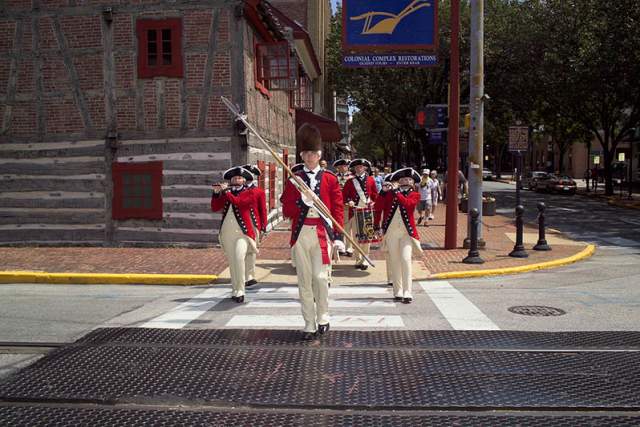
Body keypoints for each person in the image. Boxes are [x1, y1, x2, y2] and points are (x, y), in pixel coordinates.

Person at [281, 124, 345, 340]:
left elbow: (337, 209)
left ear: (319, 155)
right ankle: (309, 323)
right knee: (304, 280)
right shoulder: (294, 179)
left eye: (314, 154)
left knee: (320, 278)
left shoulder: (330, 179)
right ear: (302, 154)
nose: (310, 157)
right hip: (301, 233)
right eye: (307, 154)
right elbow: (286, 210)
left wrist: (338, 237)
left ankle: (323, 317)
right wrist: (301, 201)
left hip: (321, 231)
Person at [374, 168, 423, 303]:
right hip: (391, 231)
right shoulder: (390, 193)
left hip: (407, 232)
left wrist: (395, 192)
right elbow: (378, 207)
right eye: (403, 180)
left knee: (405, 259)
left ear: (413, 183)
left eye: (409, 180)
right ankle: (398, 291)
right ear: (399, 181)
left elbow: (407, 204)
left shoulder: (414, 195)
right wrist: (382, 192)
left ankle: (408, 291)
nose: (406, 181)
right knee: (394, 260)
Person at [211, 166, 258, 303]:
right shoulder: (228, 192)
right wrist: (216, 193)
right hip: (227, 232)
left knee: (239, 258)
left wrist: (226, 191)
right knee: (232, 262)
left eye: (239, 178)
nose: (237, 180)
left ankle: (241, 289)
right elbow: (215, 207)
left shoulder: (249, 192)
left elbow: (239, 203)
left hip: (242, 233)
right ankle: (235, 289)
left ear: (244, 180)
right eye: (234, 178)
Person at [342, 158, 379, 270]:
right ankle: (358, 259)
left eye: (361, 167)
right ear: (354, 168)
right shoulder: (350, 181)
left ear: (365, 168)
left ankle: (365, 259)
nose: (359, 168)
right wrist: (349, 201)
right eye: (357, 167)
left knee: (367, 237)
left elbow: (375, 194)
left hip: (367, 211)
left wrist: (373, 202)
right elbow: (344, 195)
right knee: (357, 237)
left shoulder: (371, 180)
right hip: (354, 212)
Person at [241, 164, 267, 288]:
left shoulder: (259, 192)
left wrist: (263, 226)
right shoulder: (236, 190)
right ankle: (240, 275)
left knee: (251, 251)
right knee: (240, 251)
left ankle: (249, 276)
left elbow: (263, 210)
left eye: (250, 176)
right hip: (239, 223)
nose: (248, 178)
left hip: (253, 223)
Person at [378, 174, 395, 287]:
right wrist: (383, 192)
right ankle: (391, 278)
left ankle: (399, 276)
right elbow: (378, 208)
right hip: (388, 226)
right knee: (389, 254)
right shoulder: (385, 194)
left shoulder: (408, 192)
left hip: (403, 228)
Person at [333, 159, 352, 256]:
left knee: (348, 227)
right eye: (340, 166)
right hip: (337, 205)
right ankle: (342, 246)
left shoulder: (351, 177)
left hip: (347, 205)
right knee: (339, 226)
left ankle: (349, 247)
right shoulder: (334, 177)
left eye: (344, 166)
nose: (342, 168)